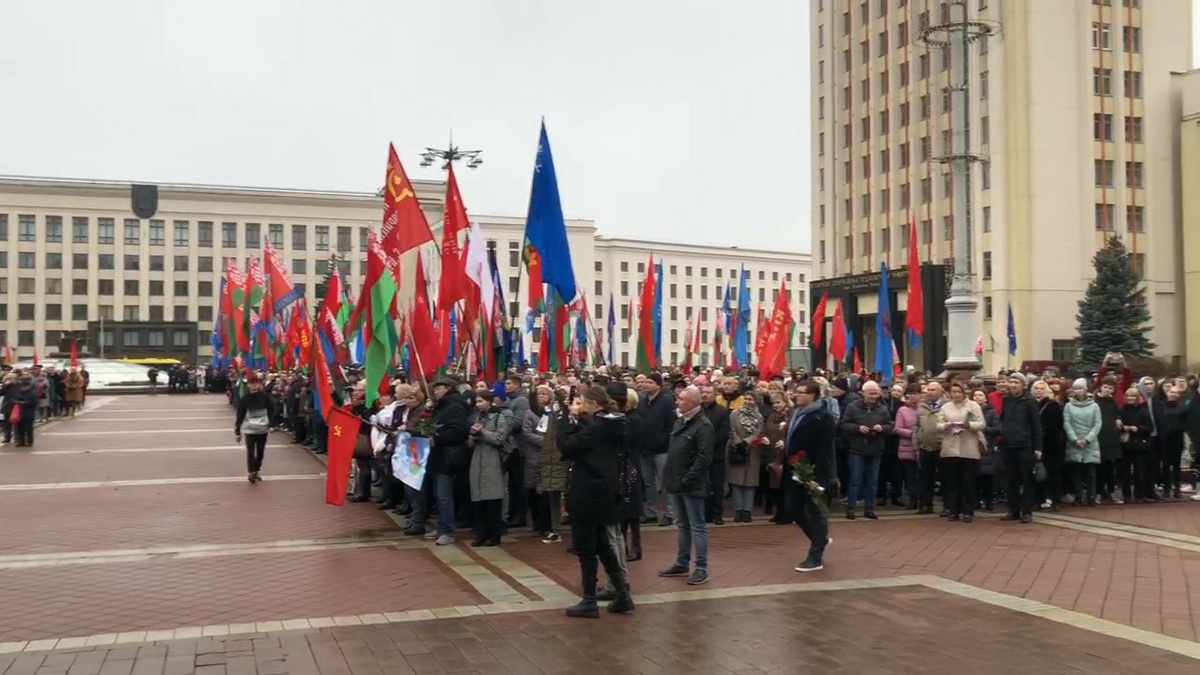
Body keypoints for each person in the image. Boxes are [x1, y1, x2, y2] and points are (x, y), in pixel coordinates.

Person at [556, 385, 635, 618]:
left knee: (585, 547)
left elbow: (567, 445)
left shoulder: (598, 428)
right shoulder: (614, 424)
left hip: (588, 491)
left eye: (582, 402)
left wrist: (564, 419)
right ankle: (622, 594)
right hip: (604, 491)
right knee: (602, 544)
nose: (579, 406)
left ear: (592, 404)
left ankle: (589, 599)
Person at [657, 386, 714, 586]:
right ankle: (682, 562)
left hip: (691, 484)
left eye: (681, 399)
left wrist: (687, 479)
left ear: (692, 402)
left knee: (697, 526)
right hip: (676, 482)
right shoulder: (680, 422)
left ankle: (701, 567)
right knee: (682, 525)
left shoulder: (703, 425)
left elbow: (704, 457)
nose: (677, 402)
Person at [784, 380, 835, 572]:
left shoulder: (823, 417)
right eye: (797, 392)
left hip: (812, 471)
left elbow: (825, 450)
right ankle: (819, 539)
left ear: (814, 395)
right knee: (793, 510)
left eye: (803, 393)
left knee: (816, 512)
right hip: (793, 469)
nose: (798, 395)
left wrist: (819, 476)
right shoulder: (797, 413)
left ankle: (815, 557)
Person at [839, 381, 894, 520]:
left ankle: (869, 509)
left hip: (876, 449)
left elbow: (890, 425)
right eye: (870, 393)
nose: (873, 396)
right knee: (855, 480)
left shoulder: (883, 408)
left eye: (875, 393)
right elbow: (844, 424)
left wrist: (882, 428)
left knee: (872, 481)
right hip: (857, 448)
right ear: (863, 393)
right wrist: (857, 428)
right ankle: (851, 509)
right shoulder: (852, 407)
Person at [428, 377, 471, 546]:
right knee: (439, 495)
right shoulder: (441, 406)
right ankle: (441, 526)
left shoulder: (454, 406)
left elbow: (460, 431)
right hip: (439, 456)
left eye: (439, 389)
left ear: (447, 389)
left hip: (448, 456)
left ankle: (447, 530)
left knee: (444, 496)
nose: (436, 392)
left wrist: (437, 438)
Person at [467, 391, 513, 547]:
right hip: (477, 461)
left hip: (492, 460)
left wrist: (483, 432)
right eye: (476, 401)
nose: (478, 404)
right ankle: (481, 534)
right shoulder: (477, 417)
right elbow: (469, 443)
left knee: (492, 501)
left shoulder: (500, 417)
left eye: (480, 401)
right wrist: (473, 436)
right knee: (478, 501)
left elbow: (499, 438)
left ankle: (494, 535)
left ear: (489, 402)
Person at [935, 382, 985, 522]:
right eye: (954, 392)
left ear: (964, 393)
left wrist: (968, 425)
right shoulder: (946, 407)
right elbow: (938, 424)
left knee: (968, 482)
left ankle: (968, 511)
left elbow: (980, 424)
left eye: (959, 392)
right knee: (952, 482)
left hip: (968, 448)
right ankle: (953, 510)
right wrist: (946, 425)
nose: (956, 394)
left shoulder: (972, 407)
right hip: (950, 448)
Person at [633, 373, 677, 526]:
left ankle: (669, 513)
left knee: (665, 482)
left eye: (650, 382)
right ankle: (650, 512)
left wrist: (664, 440)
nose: (646, 385)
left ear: (659, 385)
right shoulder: (641, 402)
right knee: (648, 483)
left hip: (661, 449)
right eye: (644, 382)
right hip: (644, 448)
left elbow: (671, 424)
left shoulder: (666, 402)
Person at [999, 373, 1042, 523]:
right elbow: (1003, 420)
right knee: (1011, 479)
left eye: (1016, 382)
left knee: (1027, 478)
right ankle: (1013, 509)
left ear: (1022, 385)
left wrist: (1038, 447)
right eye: (1011, 382)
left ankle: (1027, 510)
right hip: (1008, 445)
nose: (1012, 385)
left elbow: (1036, 426)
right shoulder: (1006, 400)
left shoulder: (1029, 401)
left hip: (1025, 445)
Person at [726, 391, 765, 523]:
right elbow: (731, 430)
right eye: (746, 399)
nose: (748, 401)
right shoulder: (734, 414)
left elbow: (759, 431)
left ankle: (747, 510)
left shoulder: (759, 416)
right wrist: (738, 443)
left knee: (750, 483)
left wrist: (747, 442)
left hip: (752, 452)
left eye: (751, 399)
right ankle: (738, 510)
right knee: (736, 482)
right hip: (735, 450)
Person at [1063, 379, 1102, 507]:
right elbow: (1067, 423)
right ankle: (1078, 496)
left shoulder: (1094, 406)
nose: (1077, 391)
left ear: (1086, 390)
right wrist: (1075, 439)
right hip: (1074, 441)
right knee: (1076, 472)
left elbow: (1097, 424)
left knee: (1091, 472)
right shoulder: (1069, 406)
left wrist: (1087, 439)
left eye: (1080, 388)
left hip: (1090, 442)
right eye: (1075, 389)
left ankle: (1091, 496)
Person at [1117, 387, 1157, 503]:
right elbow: (1116, 423)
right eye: (1128, 396)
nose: (1130, 398)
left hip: (1140, 445)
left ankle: (1139, 494)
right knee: (1125, 472)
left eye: (1133, 396)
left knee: (1139, 471)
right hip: (1125, 444)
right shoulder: (1121, 411)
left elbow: (1150, 427)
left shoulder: (1143, 411)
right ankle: (1126, 495)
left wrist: (1138, 428)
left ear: (1137, 398)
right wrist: (1121, 425)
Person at [699, 384, 731, 525]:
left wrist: (708, 443)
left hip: (716, 454)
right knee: (702, 485)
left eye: (708, 392)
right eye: (703, 392)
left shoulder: (722, 412)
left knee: (716, 485)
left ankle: (717, 513)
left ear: (715, 394)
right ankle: (705, 513)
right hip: (699, 455)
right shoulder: (697, 410)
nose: (705, 395)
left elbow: (724, 433)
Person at [234, 374, 271, 483]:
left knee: (260, 451)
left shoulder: (265, 397)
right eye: (251, 384)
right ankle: (251, 471)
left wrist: (272, 424)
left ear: (259, 385)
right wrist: (237, 429)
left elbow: (271, 410)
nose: (254, 386)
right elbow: (240, 414)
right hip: (249, 429)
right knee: (250, 451)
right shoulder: (244, 399)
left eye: (256, 384)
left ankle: (256, 470)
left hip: (263, 428)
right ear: (248, 385)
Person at [893, 384, 923, 509]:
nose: (913, 396)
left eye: (916, 393)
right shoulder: (902, 410)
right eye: (910, 394)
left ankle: (924, 500)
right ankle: (913, 499)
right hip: (907, 447)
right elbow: (898, 429)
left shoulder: (924, 409)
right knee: (910, 475)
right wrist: (914, 434)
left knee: (923, 475)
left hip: (924, 446)